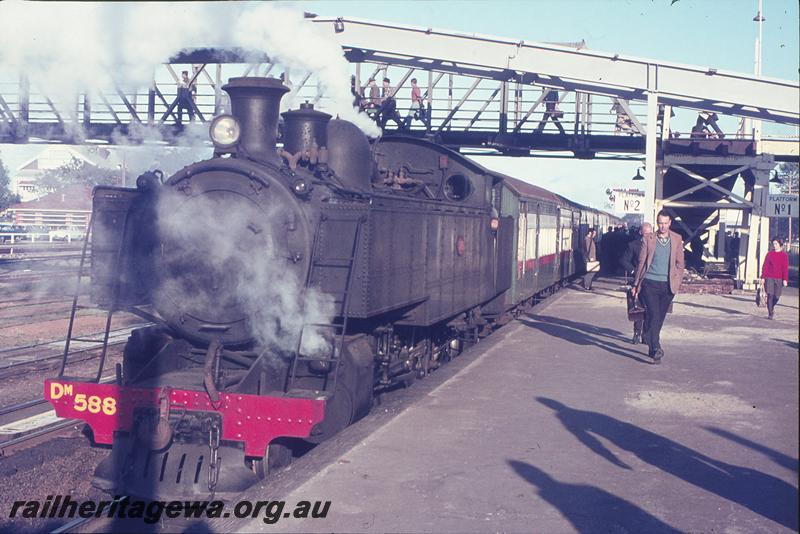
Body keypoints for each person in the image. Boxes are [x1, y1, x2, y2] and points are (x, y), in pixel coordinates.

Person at [631, 210, 685, 364]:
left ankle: (649, 339)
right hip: (650, 283)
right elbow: (641, 263)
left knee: (659, 317)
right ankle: (656, 349)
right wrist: (636, 284)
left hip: (668, 286)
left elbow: (680, 264)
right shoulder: (649, 239)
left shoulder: (676, 239)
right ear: (657, 222)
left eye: (665, 223)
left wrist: (678, 280)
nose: (662, 226)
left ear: (670, 223)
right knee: (654, 314)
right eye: (660, 222)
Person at [621, 223, 653, 344]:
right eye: (646, 233)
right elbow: (624, 260)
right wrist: (634, 271)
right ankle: (637, 333)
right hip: (638, 280)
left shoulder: (656, 245)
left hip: (651, 281)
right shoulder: (633, 245)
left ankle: (646, 334)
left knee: (650, 309)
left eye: (650, 233)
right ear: (641, 233)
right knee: (638, 308)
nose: (648, 236)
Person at [760, 238, 789, 320]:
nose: (774, 245)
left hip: (779, 278)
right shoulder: (769, 254)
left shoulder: (784, 256)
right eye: (773, 243)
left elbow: (785, 268)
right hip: (770, 278)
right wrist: (763, 277)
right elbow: (765, 266)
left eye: (776, 243)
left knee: (777, 296)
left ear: (780, 244)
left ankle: (771, 306)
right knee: (770, 295)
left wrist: (785, 279)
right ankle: (770, 313)